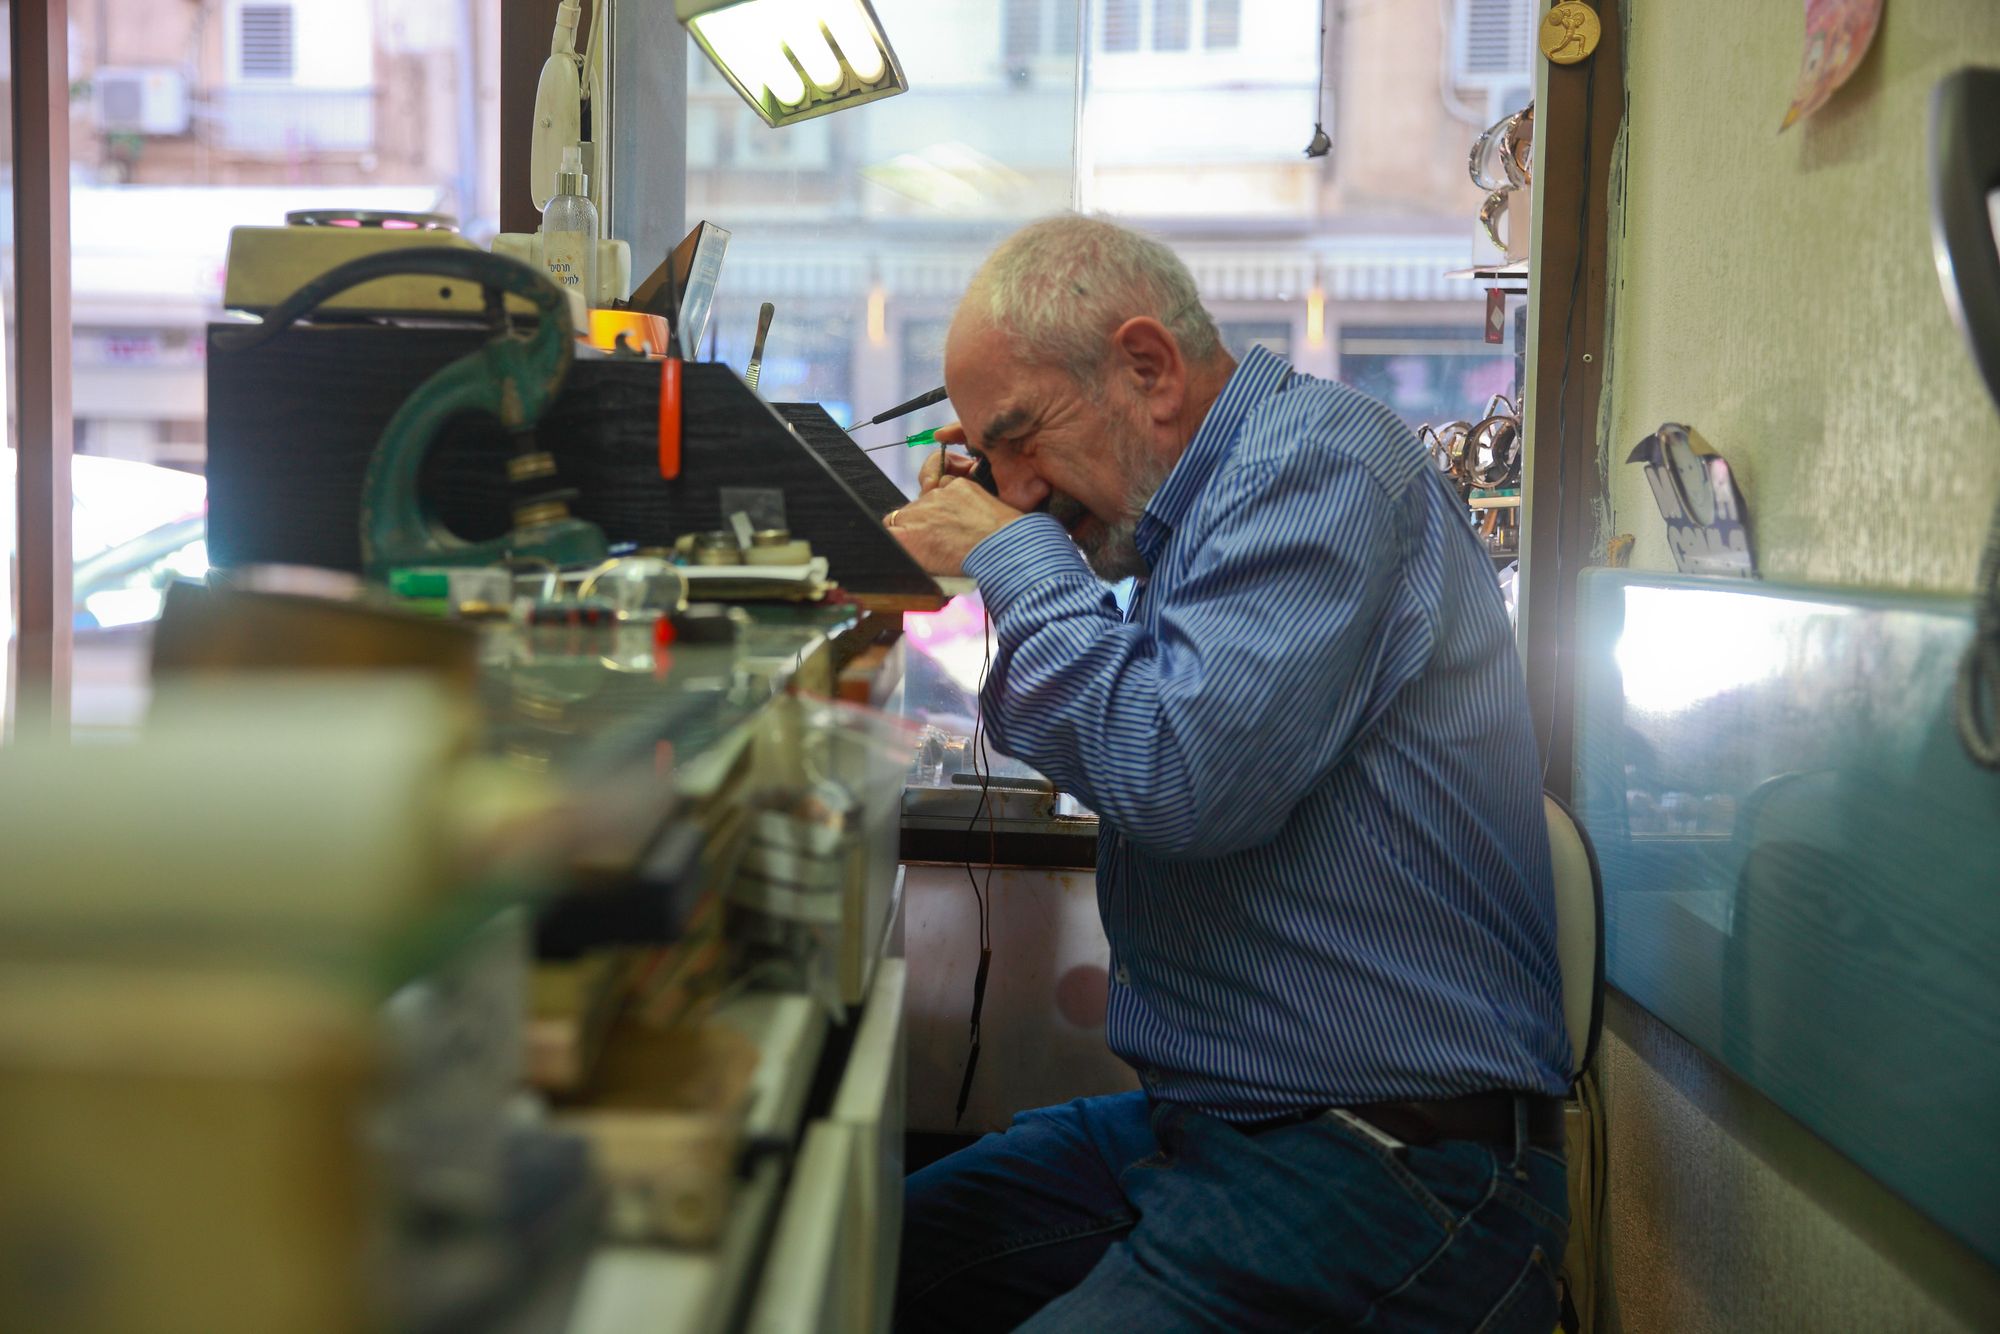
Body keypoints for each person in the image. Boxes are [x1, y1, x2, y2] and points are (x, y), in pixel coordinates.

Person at [885, 215, 1570, 1333]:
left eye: (1018, 437)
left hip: (1388, 1157)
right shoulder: (1192, 519)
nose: (1010, 486)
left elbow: (1179, 774)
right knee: (854, 1257)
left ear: (1146, 368)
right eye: (985, 456)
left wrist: (1013, 555)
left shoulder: (1317, 466)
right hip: (1207, 1126)